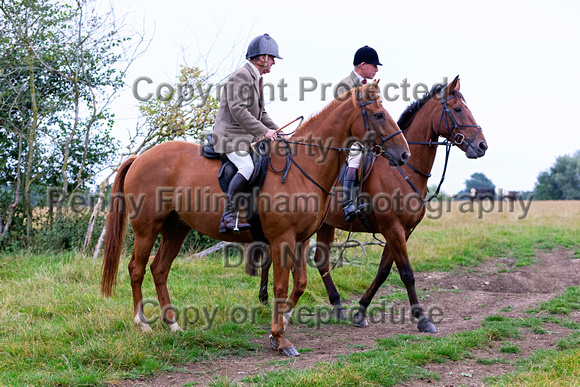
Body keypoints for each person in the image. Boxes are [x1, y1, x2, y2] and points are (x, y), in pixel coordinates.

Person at [212, 33, 280, 233]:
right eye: (272, 58)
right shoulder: (241, 75)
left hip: (245, 137)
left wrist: (277, 131)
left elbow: (261, 114)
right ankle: (228, 216)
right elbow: (238, 109)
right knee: (247, 166)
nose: (274, 63)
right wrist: (263, 131)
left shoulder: (256, 79)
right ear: (262, 58)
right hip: (230, 137)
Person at [336, 46, 382, 222]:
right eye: (374, 65)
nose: (376, 70)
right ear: (363, 65)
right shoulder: (345, 85)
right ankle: (348, 203)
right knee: (355, 156)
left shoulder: (373, 87)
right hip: (351, 138)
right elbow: (344, 117)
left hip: (370, 137)